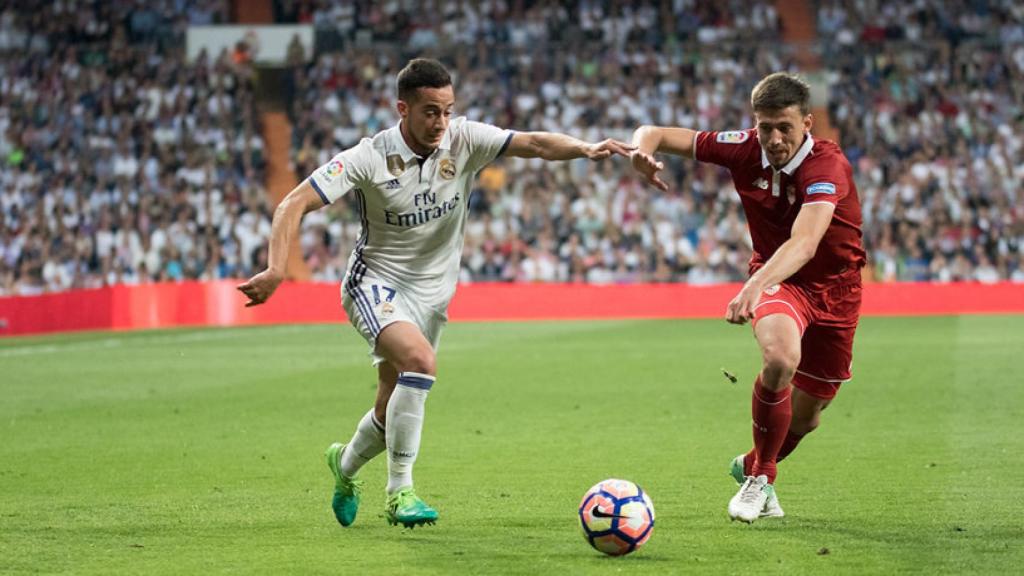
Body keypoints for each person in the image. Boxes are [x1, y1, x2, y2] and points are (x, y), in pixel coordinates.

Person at [237, 58, 632, 528]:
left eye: (447, 110)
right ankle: (399, 491)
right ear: (402, 108)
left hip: (434, 295)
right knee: (421, 364)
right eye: (429, 111)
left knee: (389, 406)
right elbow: (293, 201)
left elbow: (535, 143)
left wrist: (585, 148)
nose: (440, 122)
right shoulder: (369, 156)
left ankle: (343, 467)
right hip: (375, 282)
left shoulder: (463, 138)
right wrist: (277, 268)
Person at [629, 72, 865, 523]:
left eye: (785, 128)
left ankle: (751, 464)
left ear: (807, 124)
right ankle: (762, 480)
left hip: (837, 290)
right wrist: (643, 151)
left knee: (808, 417)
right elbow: (655, 132)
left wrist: (753, 286)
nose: (774, 139)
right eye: (765, 127)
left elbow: (807, 241)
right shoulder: (742, 147)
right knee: (779, 359)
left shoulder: (827, 166)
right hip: (782, 282)